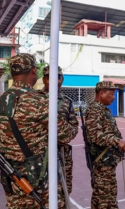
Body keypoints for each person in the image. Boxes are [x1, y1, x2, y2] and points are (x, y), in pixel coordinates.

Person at [0, 54, 76, 208]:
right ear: (34, 71)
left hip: (11, 176)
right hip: (37, 179)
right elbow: (66, 135)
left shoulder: (1, 100)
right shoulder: (39, 100)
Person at [85, 81, 125, 209]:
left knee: (108, 197)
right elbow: (95, 135)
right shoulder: (95, 109)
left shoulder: (102, 109)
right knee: (103, 199)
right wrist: (117, 141)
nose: (114, 97)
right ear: (101, 93)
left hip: (107, 161)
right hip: (101, 162)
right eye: (111, 94)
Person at [40, 66, 78, 194]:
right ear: (44, 79)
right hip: (38, 155)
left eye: (59, 77)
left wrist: (64, 135)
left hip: (61, 153)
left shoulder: (67, 102)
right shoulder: (35, 99)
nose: (55, 80)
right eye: (50, 77)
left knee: (63, 190)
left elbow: (74, 125)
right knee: (41, 191)